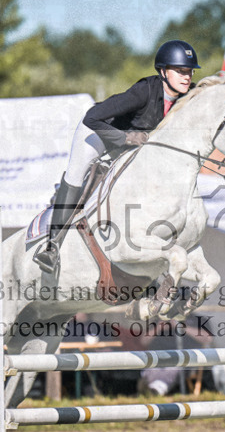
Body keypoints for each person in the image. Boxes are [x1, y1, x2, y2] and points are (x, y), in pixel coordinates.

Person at [34, 39, 201, 274]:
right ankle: (51, 246)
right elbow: (92, 117)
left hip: (131, 148)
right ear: (163, 72)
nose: (187, 77)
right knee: (76, 175)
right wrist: (126, 138)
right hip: (98, 133)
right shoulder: (144, 91)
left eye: (190, 72)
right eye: (180, 71)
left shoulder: (188, 97)